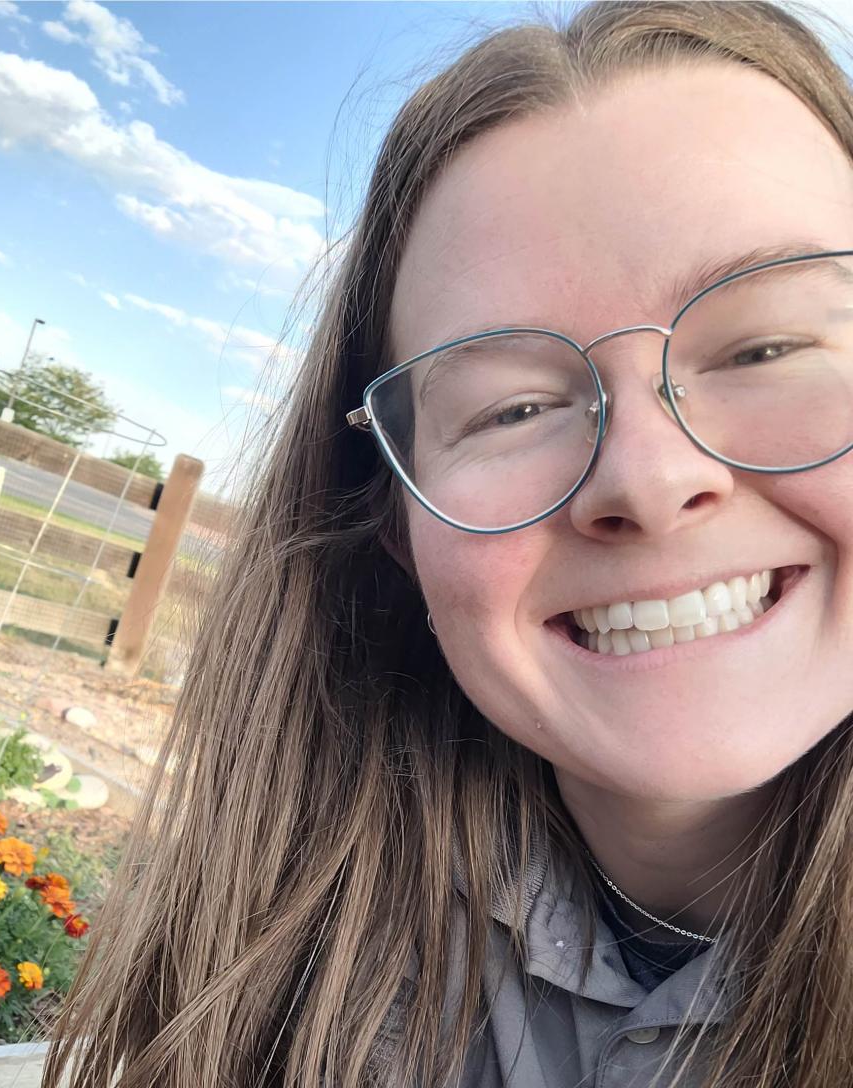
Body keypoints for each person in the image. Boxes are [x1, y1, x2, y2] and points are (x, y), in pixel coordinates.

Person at [44, 3, 853, 1085]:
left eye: (764, 345)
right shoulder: (276, 970)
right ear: (393, 519)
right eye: (512, 408)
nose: (648, 480)